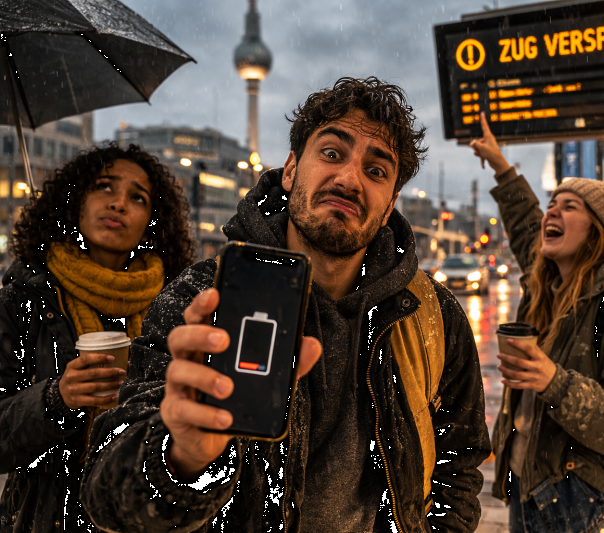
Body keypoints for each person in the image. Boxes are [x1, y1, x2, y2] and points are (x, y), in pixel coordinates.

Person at [80, 77, 492, 533]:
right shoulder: (206, 299)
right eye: (332, 153)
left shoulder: (432, 315)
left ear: (391, 201)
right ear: (291, 169)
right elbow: (105, 497)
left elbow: (460, 465)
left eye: (376, 171)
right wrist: (179, 459)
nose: (350, 179)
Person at [469, 113, 604, 533]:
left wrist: (553, 382)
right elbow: (526, 223)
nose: (550, 213)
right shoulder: (547, 283)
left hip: (590, 503)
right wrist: (503, 168)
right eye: (552, 204)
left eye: (569, 207)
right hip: (528, 486)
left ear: (597, 232)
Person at [0, 143, 195, 533]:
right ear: (75, 201)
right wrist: (57, 399)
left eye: (137, 197)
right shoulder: (25, 298)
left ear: (152, 222)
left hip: (140, 517)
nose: (119, 204)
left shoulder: (176, 304)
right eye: (104, 187)